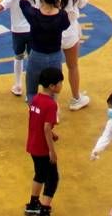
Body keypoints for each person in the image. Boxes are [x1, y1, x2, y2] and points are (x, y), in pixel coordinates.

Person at [25, 66, 63, 216]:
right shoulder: (51, 105)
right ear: (52, 86)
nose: (61, 85)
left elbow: (38, 122)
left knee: (39, 174)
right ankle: (45, 209)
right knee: (52, 178)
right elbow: (46, 127)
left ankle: (33, 204)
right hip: (42, 149)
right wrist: (52, 151)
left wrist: (52, 133)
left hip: (32, 145)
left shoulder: (35, 100)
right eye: (60, 83)